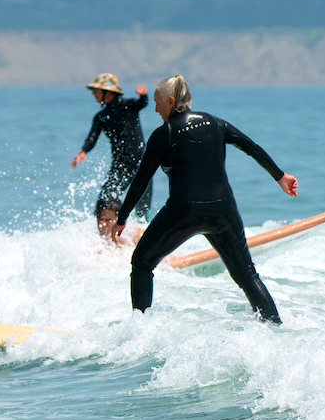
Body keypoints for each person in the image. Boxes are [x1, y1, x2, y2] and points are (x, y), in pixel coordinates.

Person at [116, 75, 297, 324]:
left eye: (158, 103)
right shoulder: (214, 122)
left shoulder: (163, 134)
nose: (155, 109)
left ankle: (139, 329)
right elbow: (251, 146)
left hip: (183, 213)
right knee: (246, 275)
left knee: (142, 263)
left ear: (170, 101)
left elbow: (140, 182)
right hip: (223, 212)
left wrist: (122, 218)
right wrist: (280, 177)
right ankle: (275, 328)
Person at [70, 73, 152, 243]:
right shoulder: (100, 117)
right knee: (106, 199)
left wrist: (143, 94)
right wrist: (83, 151)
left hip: (141, 164)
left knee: (142, 207)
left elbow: (142, 103)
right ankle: (108, 238)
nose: (93, 93)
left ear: (107, 92)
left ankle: (146, 240)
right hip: (120, 165)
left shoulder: (128, 105)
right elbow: (92, 137)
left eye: (96, 90)